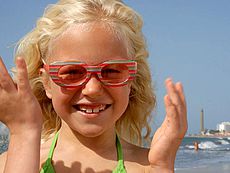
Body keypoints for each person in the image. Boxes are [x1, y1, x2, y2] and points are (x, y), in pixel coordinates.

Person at [0, 0, 187, 172]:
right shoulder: (13, 162)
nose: (93, 89)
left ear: (131, 80)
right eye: (72, 72)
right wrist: (23, 133)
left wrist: (162, 167)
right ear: (47, 83)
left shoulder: (148, 166)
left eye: (112, 71)